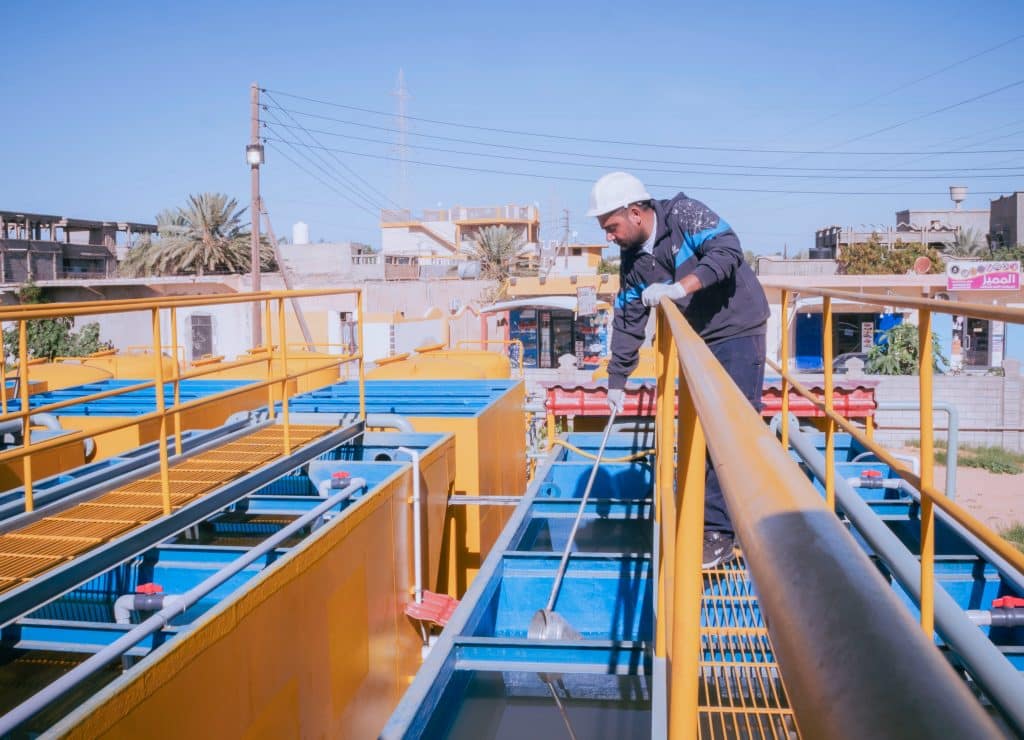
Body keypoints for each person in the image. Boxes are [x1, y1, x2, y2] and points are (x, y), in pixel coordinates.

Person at [587, 172, 769, 568]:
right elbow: (628, 316)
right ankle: (706, 514)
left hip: (737, 330)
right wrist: (617, 381)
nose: (609, 237)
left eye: (611, 227)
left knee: (732, 429)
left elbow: (727, 251)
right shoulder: (634, 263)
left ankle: (720, 534)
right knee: (701, 427)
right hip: (697, 339)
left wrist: (680, 287)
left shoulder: (684, 213)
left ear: (636, 213)